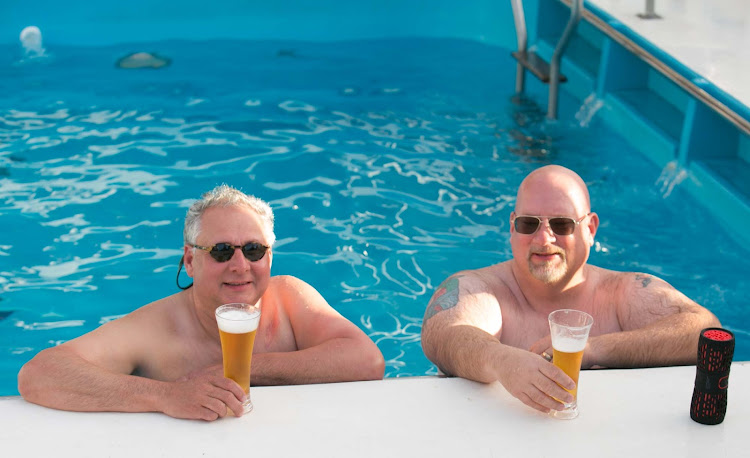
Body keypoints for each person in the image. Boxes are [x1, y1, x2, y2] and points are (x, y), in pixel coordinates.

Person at [18, 185, 385, 421]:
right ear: (191, 261)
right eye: (222, 251)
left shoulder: (289, 297)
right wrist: (166, 395)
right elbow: (39, 374)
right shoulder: (156, 328)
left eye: (254, 250)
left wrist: (247, 370)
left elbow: (367, 361)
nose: (240, 266)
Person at [421, 164, 720, 414]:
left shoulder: (621, 293)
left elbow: (705, 330)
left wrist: (593, 349)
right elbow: (441, 334)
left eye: (562, 225)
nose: (544, 239)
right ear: (512, 227)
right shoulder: (482, 290)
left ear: (589, 229)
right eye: (529, 224)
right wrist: (502, 361)